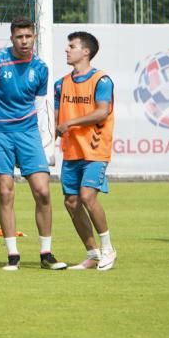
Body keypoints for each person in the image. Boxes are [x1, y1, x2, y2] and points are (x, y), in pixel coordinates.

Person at [0, 16, 66, 271]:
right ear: (12, 38)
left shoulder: (41, 67)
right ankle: (13, 255)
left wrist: (45, 141)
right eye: (19, 37)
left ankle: (46, 253)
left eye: (28, 36)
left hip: (27, 134)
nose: (24, 41)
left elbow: (41, 106)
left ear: (34, 37)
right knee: (5, 191)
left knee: (43, 191)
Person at [54, 31, 117, 271]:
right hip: (71, 152)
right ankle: (93, 254)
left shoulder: (102, 80)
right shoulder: (61, 84)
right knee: (71, 202)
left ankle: (108, 248)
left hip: (95, 150)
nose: (67, 50)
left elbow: (102, 111)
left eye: (71, 46)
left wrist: (70, 123)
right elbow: (57, 116)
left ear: (86, 52)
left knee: (87, 197)